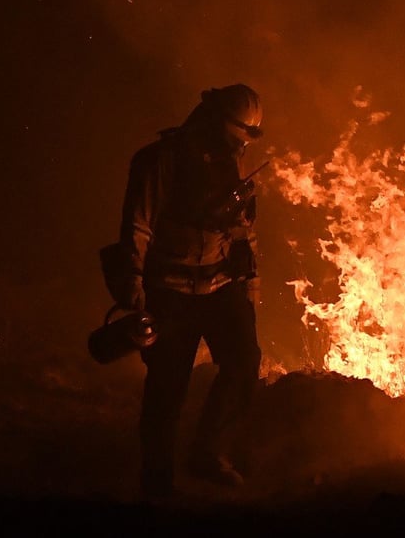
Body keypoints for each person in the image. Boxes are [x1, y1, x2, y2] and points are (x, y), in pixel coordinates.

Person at [117, 84, 264, 498]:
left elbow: (243, 231)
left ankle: (208, 452)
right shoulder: (160, 160)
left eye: (247, 136)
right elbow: (137, 225)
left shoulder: (231, 163)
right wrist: (132, 281)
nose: (241, 144)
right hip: (170, 291)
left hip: (219, 285)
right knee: (167, 387)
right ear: (213, 118)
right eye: (238, 133)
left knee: (244, 361)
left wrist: (249, 282)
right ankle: (157, 482)